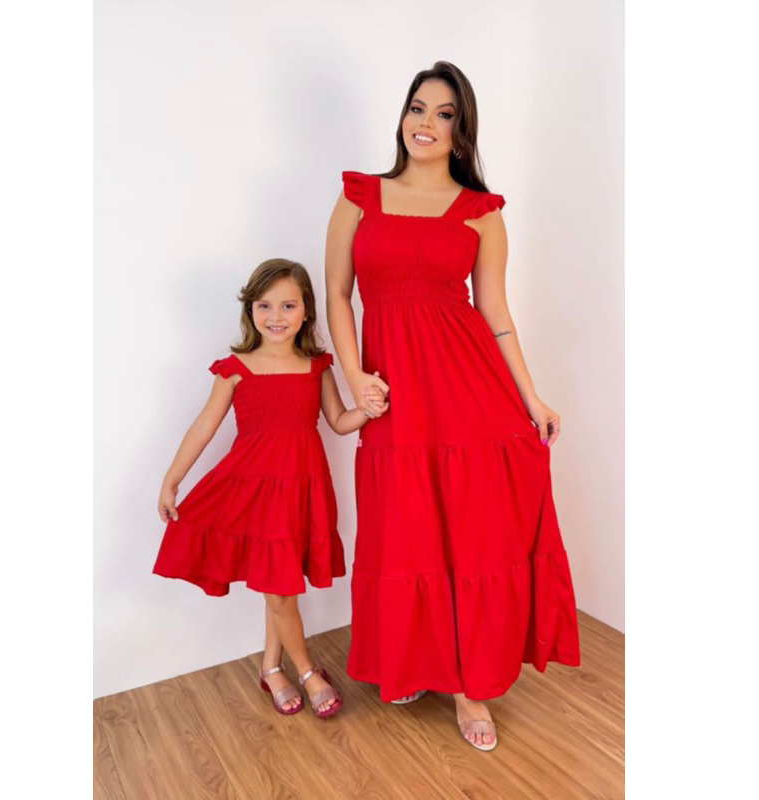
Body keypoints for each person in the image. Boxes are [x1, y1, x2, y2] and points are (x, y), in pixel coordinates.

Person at [325, 61, 581, 751]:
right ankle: (415, 662)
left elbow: (495, 314)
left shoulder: (482, 213)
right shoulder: (358, 197)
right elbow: (338, 295)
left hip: (469, 392)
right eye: (418, 107)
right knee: (406, 528)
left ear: (462, 131)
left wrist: (531, 396)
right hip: (394, 397)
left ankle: (470, 688)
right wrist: (355, 375)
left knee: (470, 533)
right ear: (403, 116)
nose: (426, 123)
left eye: (444, 114)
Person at [152, 258, 388, 718]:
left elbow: (339, 421)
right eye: (264, 305)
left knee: (278, 586)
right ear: (250, 309)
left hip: (302, 490)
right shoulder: (235, 368)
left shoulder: (317, 366)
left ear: (306, 311)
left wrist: (369, 408)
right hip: (254, 494)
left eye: (288, 305)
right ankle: (307, 671)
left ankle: (271, 667)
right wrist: (171, 480)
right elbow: (203, 427)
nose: (275, 316)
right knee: (280, 591)